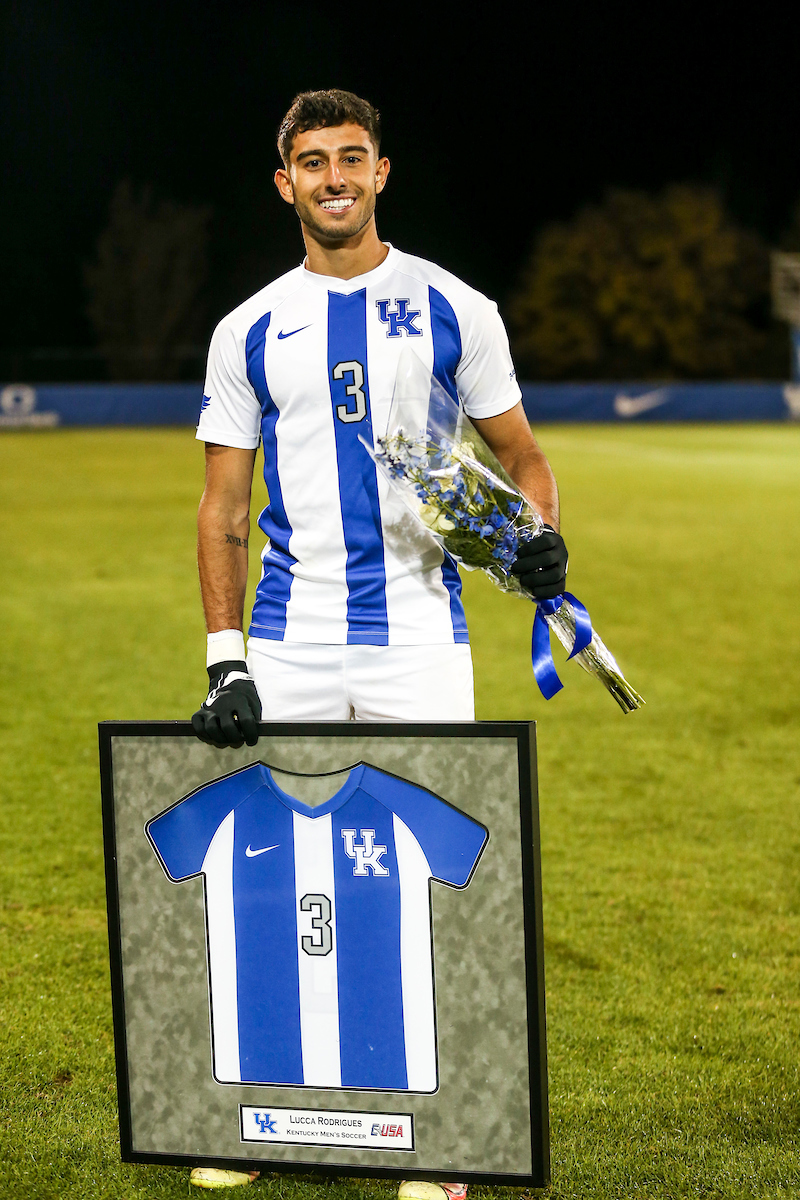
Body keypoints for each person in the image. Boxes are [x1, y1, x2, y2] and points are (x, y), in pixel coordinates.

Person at [188, 90, 567, 1192]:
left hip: (417, 637)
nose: (333, 177)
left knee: (424, 879)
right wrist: (226, 658)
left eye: (351, 157)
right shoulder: (249, 327)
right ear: (285, 184)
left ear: (381, 171)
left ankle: (437, 1144)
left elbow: (521, 458)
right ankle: (262, 1118)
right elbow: (220, 509)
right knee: (267, 878)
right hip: (290, 638)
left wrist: (537, 537)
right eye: (312, 162)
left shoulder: (456, 306)